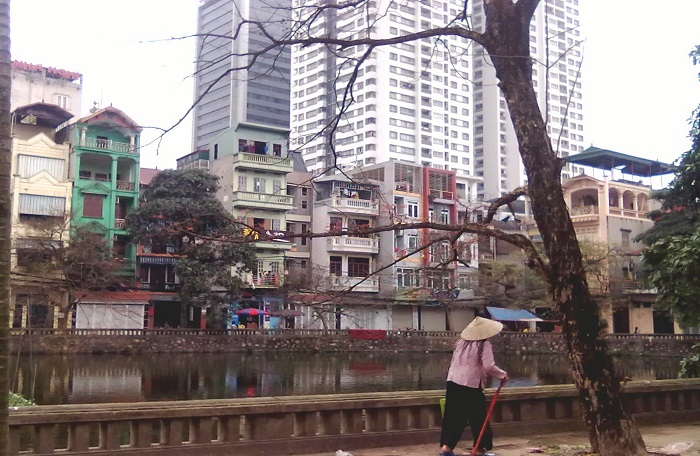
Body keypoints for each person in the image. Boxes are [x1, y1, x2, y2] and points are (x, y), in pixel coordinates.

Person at [439, 317, 508, 456]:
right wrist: (503, 375)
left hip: (453, 381)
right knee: (478, 417)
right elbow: (488, 366)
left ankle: (447, 447)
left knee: (454, 415)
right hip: (470, 385)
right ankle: (481, 449)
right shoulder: (484, 344)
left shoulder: (461, 342)